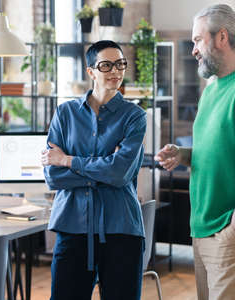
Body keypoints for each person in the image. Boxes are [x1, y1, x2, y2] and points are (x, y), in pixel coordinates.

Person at [155, 4, 235, 300]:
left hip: (231, 230)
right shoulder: (212, 88)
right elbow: (219, 148)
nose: (193, 50)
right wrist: (184, 155)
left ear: (221, 37)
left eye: (198, 40)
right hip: (202, 227)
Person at [42, 40, 147, 300]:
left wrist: (69, 161)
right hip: (72, 226)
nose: (116, 71)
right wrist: (103, 168)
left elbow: (119, 173)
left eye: (120, 64)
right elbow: (53, 177)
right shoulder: (65, 113)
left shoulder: (134, 116)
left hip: (121, 228)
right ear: (91, 72)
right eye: (106, 65)